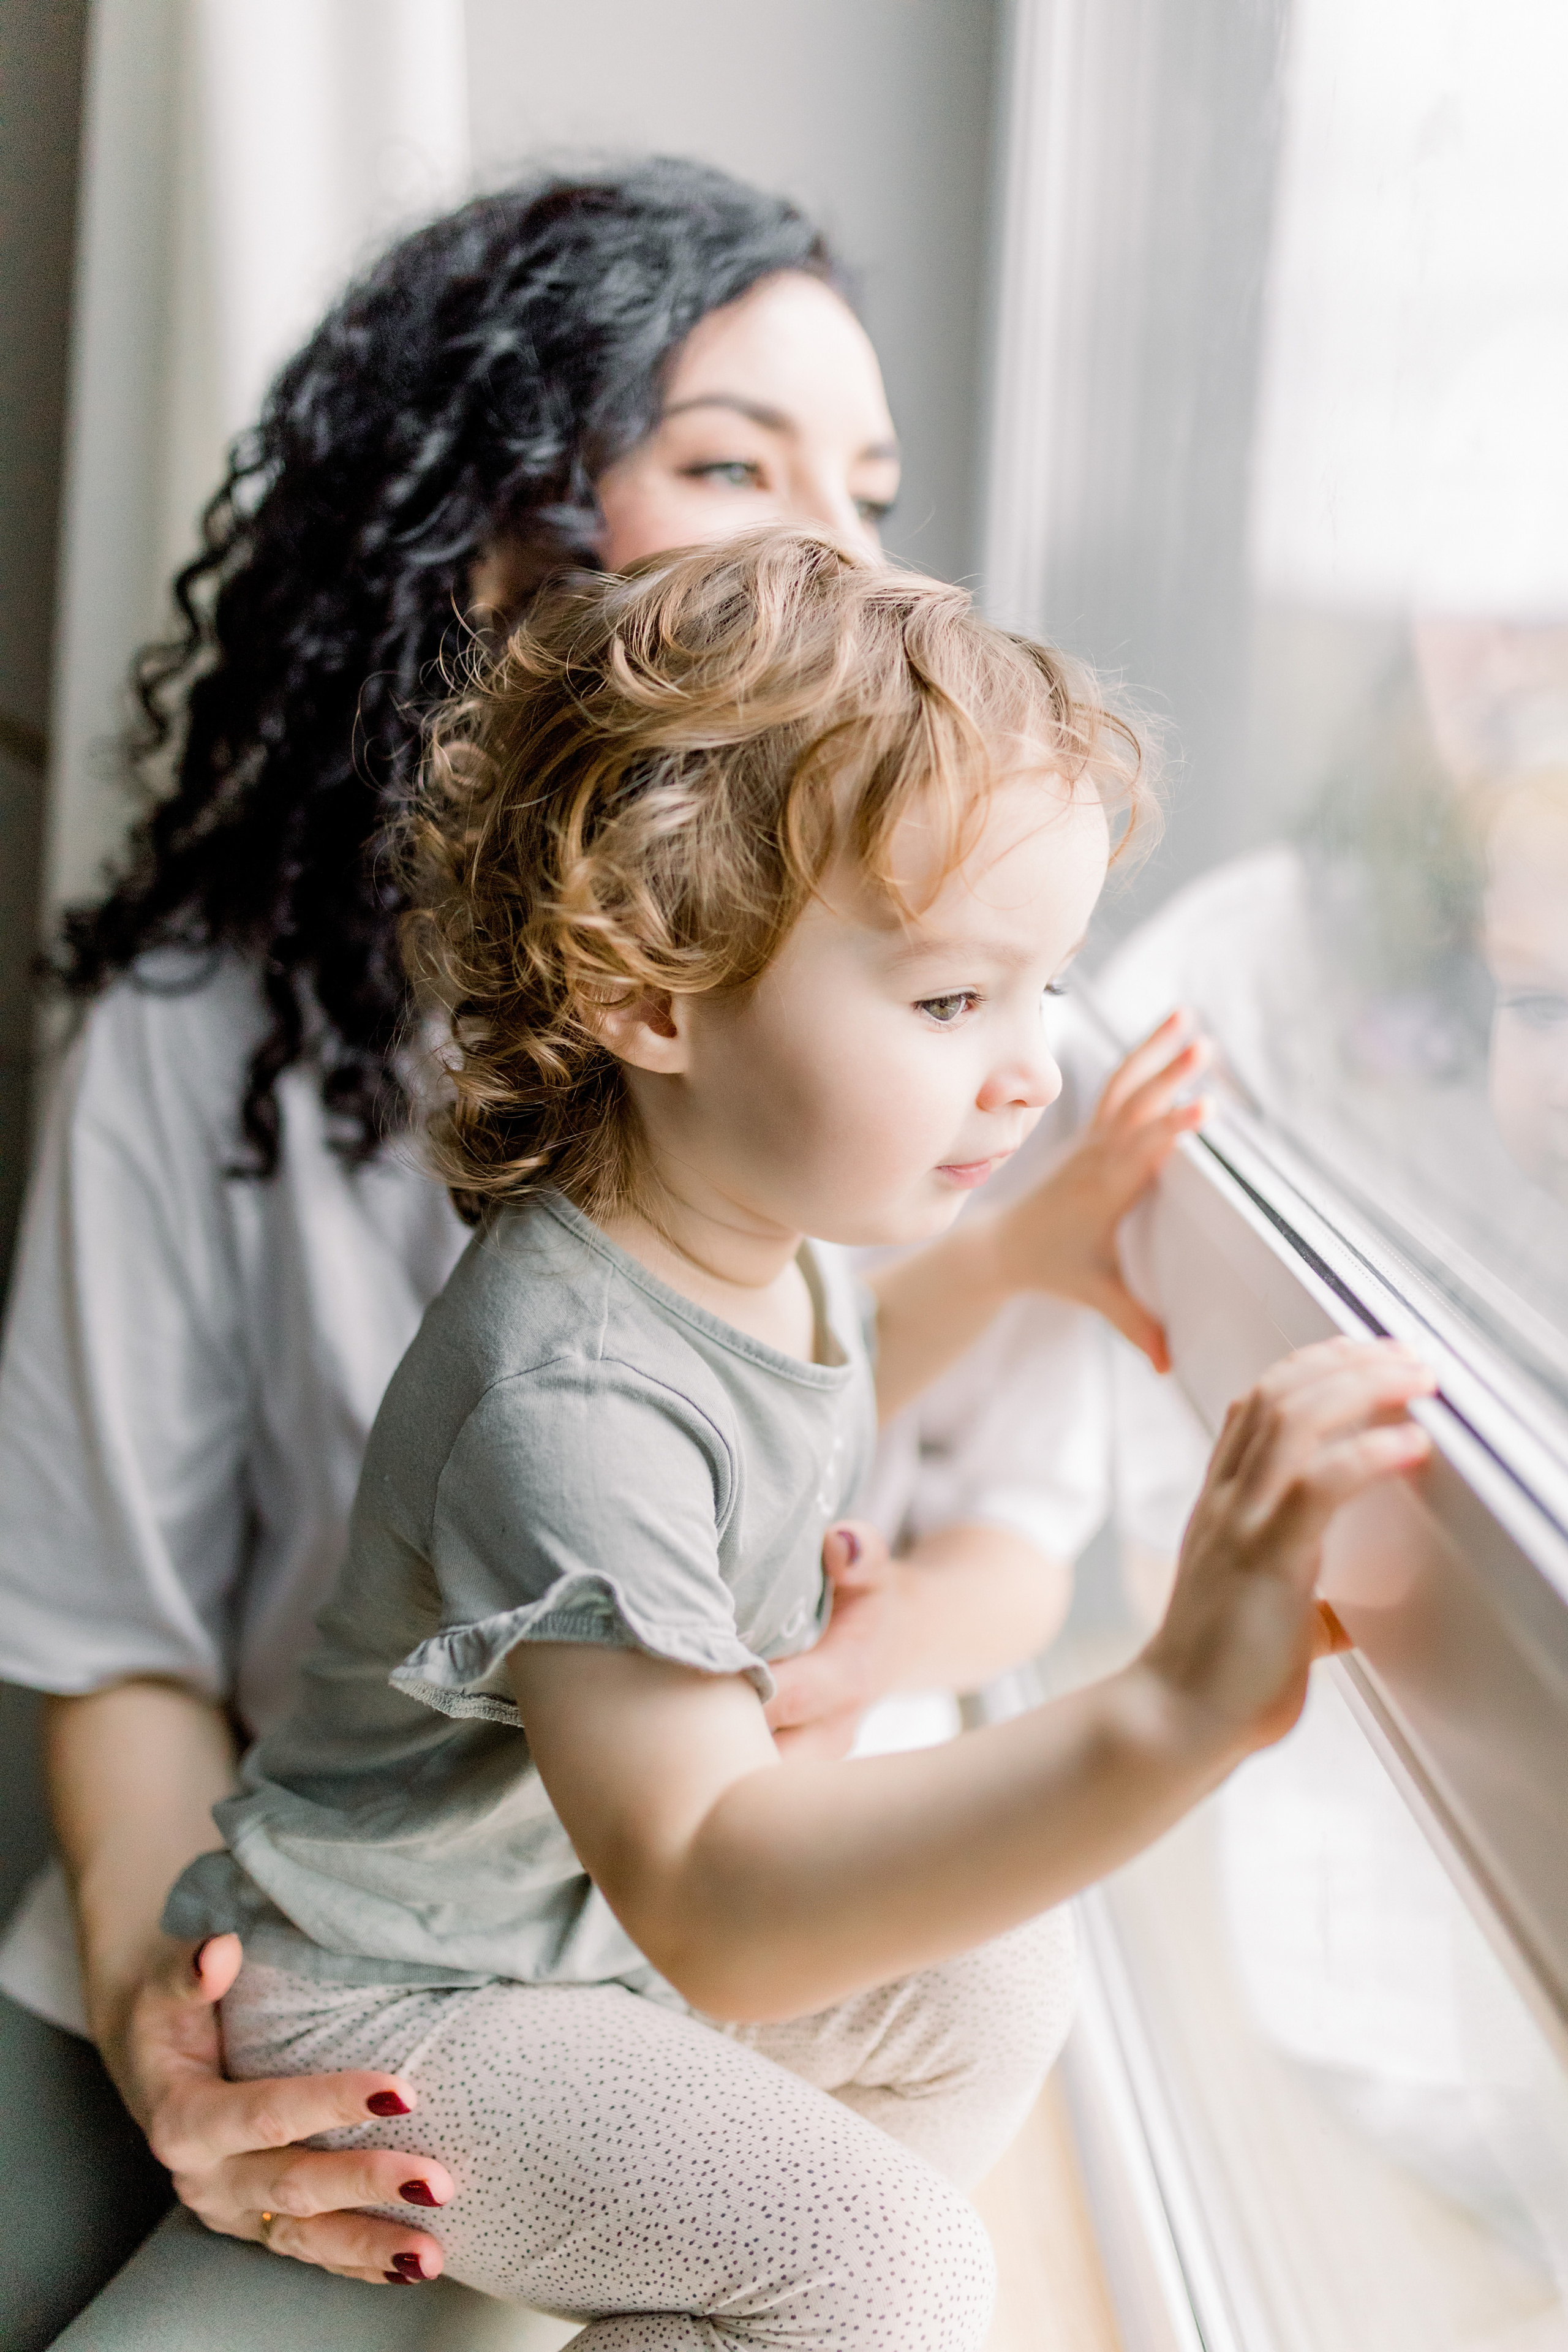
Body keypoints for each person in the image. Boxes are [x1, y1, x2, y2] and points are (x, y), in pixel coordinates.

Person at [0, 160, 1129, 2344]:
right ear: (490, 532)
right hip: (285, 1914)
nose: (839, 552)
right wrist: (174, 2005)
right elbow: (112, 1632)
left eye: (871, 489)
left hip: (651, 1947)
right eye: (732, 463)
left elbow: (986, 1530)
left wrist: (832, 1665)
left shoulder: (942, 1034)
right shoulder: (196, 1038)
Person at [165, 526, 1435, 2347]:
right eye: (946, 999)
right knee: (894, 2267)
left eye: (1042, 987)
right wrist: (1168, 1709)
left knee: (999, 1988)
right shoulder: (568, 1396)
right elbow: (714, 1901)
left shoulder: (740, 1234)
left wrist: (1020, 1257)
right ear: (651, 995)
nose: (1024, 1067)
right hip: (387, 1989)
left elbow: (811, 1398)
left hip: (558, 1927)